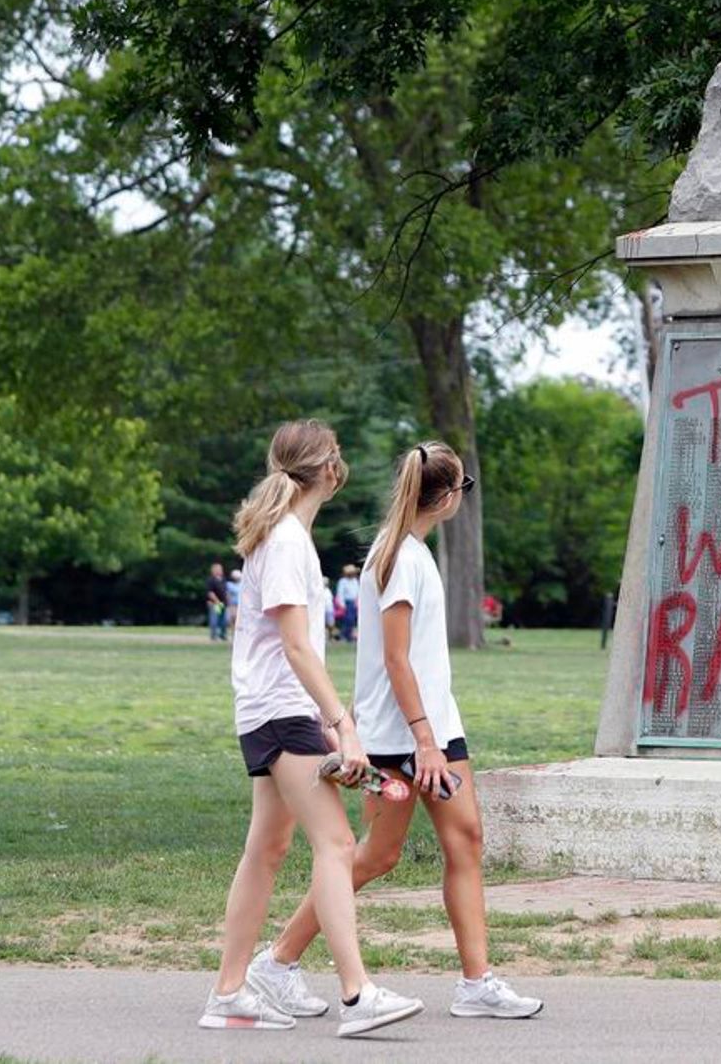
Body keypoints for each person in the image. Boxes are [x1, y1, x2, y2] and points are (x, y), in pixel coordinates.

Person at [265, 441, 542, 1020]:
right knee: (374, 856)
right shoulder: (399, 560)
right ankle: (279, 960)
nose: (462, 499)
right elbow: (395, 660)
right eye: (462, 489)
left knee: (465, 841)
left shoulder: (412, 554)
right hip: (406, 738)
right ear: (443, 498)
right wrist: (422, 742)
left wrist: (435, 735)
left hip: (437, 728)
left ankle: (476, 982)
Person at [200, 419, 423, 1037]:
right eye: (339, 457)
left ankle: (230, 992)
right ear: (328, 468)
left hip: (274, 713)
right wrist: (342, 726)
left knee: (267, 849)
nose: (341, 465)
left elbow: (287, 649)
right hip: (280, 712)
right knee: (334, 844)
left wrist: (324, 729)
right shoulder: (289, 540)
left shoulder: (283, 536)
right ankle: (357, 995)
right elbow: (297, 647)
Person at [334, 563, 360, 643]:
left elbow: (358, 592)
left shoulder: (355, 581)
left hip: (354, 602)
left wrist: (357, 602)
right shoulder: (343, 582)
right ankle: (344, 635)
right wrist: (342, 604)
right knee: (348, 620)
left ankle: (349, 635)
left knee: (353, 620)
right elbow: (340, 593)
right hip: (347, 602)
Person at [206, 563, 228, 641]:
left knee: (224, 620)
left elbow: (226, 591)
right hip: (215, 603)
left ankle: (223, 635)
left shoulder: (223, 579)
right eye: (218, 569)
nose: (220, 571)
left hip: (223, 603)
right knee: (214, 620)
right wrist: (217, 601)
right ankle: (213, 636)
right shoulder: (211, 580)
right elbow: (210, 592)